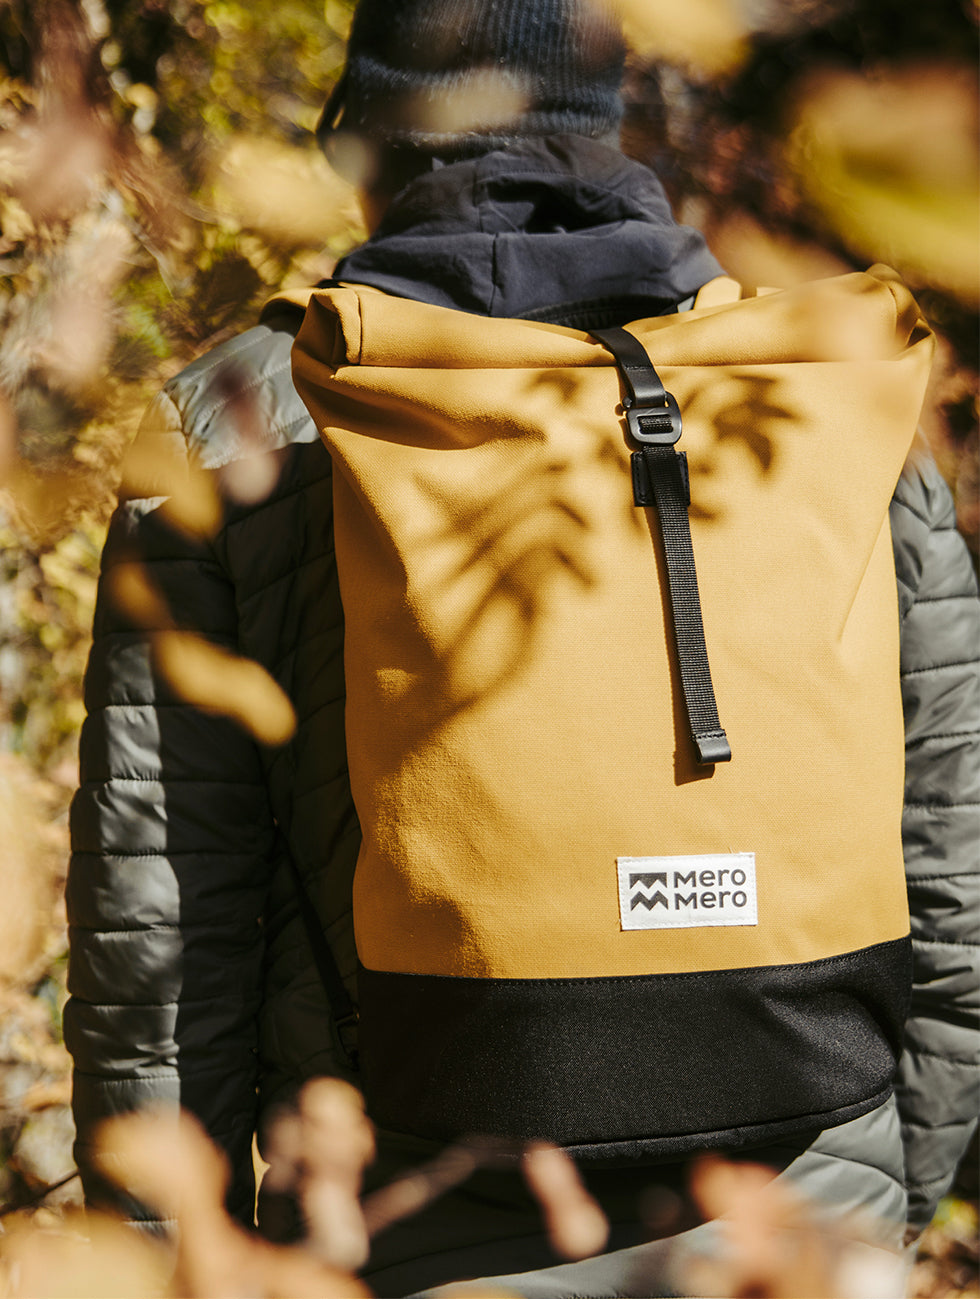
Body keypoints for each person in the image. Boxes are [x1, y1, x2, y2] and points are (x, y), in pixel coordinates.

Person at [64, 1, 980, 1293]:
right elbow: (952, 869)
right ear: (614, 117)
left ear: (370, 140)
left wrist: (172, 1256)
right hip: (799, 1213)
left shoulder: (245, 422)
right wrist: (886, 1188)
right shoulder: (817, 396)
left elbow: (164, 927)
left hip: (405, 1218)